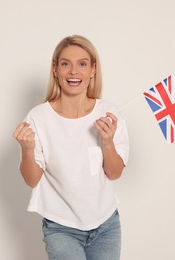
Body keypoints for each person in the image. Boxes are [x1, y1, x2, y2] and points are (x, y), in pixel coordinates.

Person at [13, 35, 129, 260]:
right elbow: (31, 180)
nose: (74, 72)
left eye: (82, 64)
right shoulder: (38, 118)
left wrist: (107, 143)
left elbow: (115, 173)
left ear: (93, 70)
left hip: (107, 226)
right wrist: (27, 150)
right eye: (65, 64)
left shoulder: (109, 115)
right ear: (55, 70)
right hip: (61, 228)